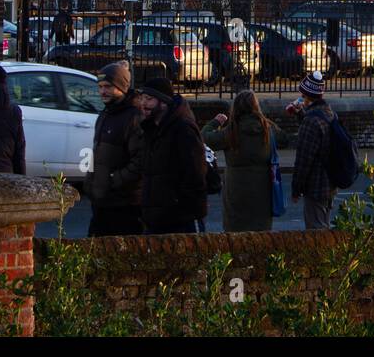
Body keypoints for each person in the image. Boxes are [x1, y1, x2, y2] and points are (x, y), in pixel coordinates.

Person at [203, 90, 292, 232]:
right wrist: (264, 119)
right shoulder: (267, 129)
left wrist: (215, 122)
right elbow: (284, 138)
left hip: (236, 190)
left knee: (235, 233)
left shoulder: (231, 131)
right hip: (263, 189)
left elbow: (205, 137)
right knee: (260, 233)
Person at [136, 76, 207, 234]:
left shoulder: (183, 129)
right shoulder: (150, 129)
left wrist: (179, 208)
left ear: (163, 102)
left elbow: (195, 175)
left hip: (181, 221)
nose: (143, 104)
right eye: (142, 99)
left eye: (149, 99)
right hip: (156, 221)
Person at [86, 61, 145, 236]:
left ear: (122, 87)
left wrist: (114, 180)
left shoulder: (134, 117)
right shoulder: (105, 114)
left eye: (108, 87)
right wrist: (90, 182)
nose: (103, 91)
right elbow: (96, 153)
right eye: (100, 86)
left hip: (124, 205)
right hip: (101, 202)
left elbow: (140, 161)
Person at [289, 71, 337, 229]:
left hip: (316, 187)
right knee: (325, 226)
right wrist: (300, 115)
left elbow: (304, 159)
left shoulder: (311, 122)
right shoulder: (329, 113)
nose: (300, 99)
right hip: (330, 183)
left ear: (306, 96)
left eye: (302, 95)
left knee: (317, 234)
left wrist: (296, 189)